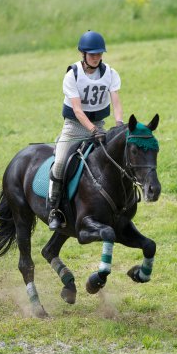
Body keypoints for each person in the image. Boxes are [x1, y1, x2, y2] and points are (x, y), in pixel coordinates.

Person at [48, 30, 124, 230]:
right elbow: (77, 110)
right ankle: (54, 209)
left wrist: (118, 123)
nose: (97, 58)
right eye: (92, 55)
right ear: (83, 54)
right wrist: (91, 130)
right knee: (60, 164)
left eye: (99, 54)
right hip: (74, 127)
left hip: (99, 125)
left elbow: (115, 100)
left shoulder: (110, 73)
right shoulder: (72, 74)